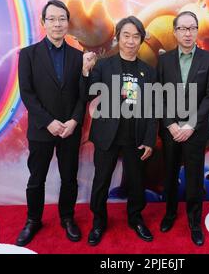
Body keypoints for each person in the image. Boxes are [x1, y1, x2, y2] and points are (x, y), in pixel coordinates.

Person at [16, 0, 95, 246]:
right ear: (43, 22)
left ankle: (67, 218)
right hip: (42, 129)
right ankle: (33, 220)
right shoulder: (28, 55)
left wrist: (73, 121)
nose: (57, 24)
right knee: (36, 178)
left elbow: (83, 94)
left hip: (70, 130)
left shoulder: (78, 56)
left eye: (62, 19)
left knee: (69, 177)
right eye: (52, 19)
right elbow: (27, 94)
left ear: (67, 23)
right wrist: (48, 121)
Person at [84, 16, 157, 246]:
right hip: (107, 134)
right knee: (101, 180)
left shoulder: (148, 71)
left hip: (135, 136)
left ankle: (135, 218)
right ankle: (99, 221)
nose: (131, 41)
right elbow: (88, 93)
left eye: (136, 36)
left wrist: (149, 139)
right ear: (118, 37)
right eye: (126, 35)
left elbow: (152, 108)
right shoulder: (104, 65)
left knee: (136, 181)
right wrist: (86, 72)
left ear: (141, 40)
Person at [157, 11, 209, 246]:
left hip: (195, 130)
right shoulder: (164, 61)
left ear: (197, 31)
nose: (187, 33)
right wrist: (171, 124)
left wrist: (191, 124)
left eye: (192, 28)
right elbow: (159, 94)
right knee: (170, 174)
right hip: (171, 129)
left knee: (194, 177)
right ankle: (170, 214)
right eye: (182, 29)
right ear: (174, 32)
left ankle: (194, 222)